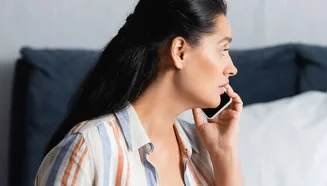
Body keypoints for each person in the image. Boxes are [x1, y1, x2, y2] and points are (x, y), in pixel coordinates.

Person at [35, 0, 242, 185]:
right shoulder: (88, 149)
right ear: (179, 51)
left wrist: (225, 153)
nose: (232, 68)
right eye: (222, 50)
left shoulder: (205, 150)